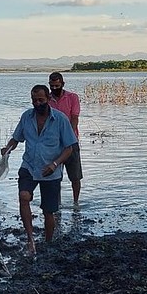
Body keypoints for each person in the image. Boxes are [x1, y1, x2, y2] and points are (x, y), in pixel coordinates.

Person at [1, 84, 77, 255]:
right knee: (23, 196)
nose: (37, 104)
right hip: (29, 166)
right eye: (34, 100)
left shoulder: (61, 119)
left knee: (48, 212)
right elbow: (16, 138)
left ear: (48, 99)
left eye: (41, 100)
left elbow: (69, 148)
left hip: (51, 171)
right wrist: (8, 148)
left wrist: (55, 164)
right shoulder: (26, 117)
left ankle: (48, 243)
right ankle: (30, 239)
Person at [48, 71, 83, 205]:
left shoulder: (72, 97)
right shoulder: (48, 100)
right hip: (54, 143)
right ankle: (57, 203)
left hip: (71, 141)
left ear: (63, 84)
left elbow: (74, 118)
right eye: (52, 86)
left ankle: (76, 203)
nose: (55, 89)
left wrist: (68, 136)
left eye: (57, 86)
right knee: (54, 176)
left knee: (75, 176)